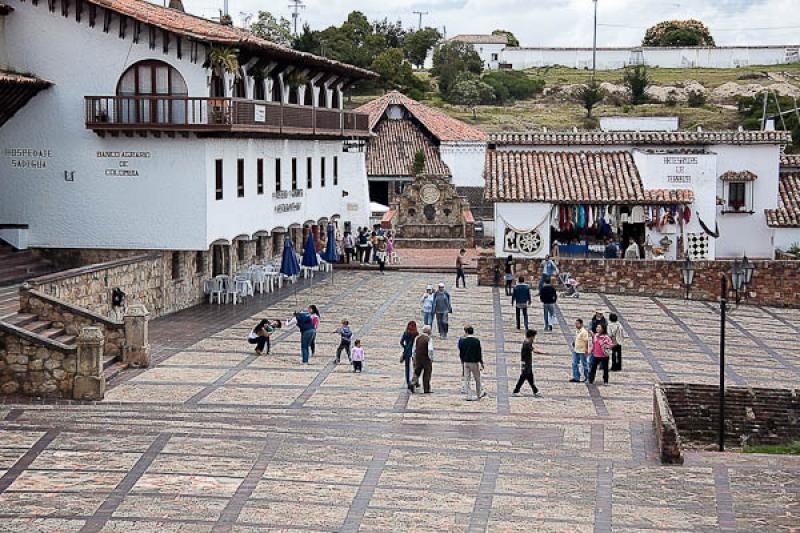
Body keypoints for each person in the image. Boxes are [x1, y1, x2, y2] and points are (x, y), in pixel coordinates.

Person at [513, 329, 545, 397]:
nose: (534, 338)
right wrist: (543, 353)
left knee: (530, 377)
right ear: (531, 336)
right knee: (523, 376)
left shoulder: (528, 342)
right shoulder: (527, 343)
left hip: (528, 363)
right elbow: (534, 350)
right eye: (534, 336)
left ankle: (535, 390)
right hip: (526, 363)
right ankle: (516, 390)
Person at [458, 325, 485, 401]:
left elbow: (461, 352)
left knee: (467, 379)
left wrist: (462, 361)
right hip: (474, 362)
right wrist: (481, 362)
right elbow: (479, 352)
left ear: (466, 332)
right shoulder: (476, 341)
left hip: (466, 362)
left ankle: (468, 395)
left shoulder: (464, 341)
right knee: (477, 379)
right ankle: (478, 394)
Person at [410, 325, 434, 393]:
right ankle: (426, 388)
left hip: (418, 358)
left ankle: (413, 383)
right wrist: (431, 358)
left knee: (417, 371)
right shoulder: (429, 339)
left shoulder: (417, 338)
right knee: (427, 373)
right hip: (426, 358)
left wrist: (414, 357)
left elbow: (414, 348)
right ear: (429, 331)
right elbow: (430, 350)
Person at [570, 318, 590, 382]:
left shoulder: (584, 332)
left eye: (577, 324)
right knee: (574, 363)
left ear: (581, 324)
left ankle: (587, 377)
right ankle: (576, 377)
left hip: (582, 351)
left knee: (584, 364)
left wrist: (586, 350)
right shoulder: (577, 331)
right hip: (576, 350)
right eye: (575, 324)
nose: (576, 325)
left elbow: (586, 341)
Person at [400, 321, 418, 387]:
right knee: (415, 367)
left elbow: (401, 342)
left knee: (407, 367)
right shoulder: (416, 334)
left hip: (407, 352)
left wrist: (405, 347)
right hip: (414, 352)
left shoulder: (406, 333)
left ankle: (408, 382)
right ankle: (415, 381)